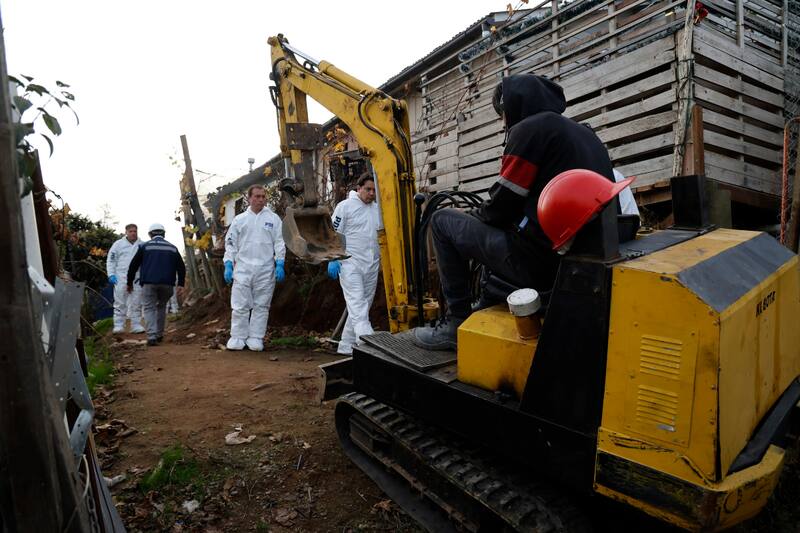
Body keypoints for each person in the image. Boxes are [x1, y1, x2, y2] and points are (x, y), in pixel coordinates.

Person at [412, 73, 615, 351]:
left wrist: (477, 213)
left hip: (537, 262)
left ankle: (454, 322)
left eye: (502, 114)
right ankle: (486, 300)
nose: (503, 122)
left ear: (513, 106)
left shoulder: (530, 129)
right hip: (578, 259)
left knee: (442, 221)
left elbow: (501, 205)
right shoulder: (585, 135)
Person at [223, 184, 286, 352]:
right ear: (249, 198)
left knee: (261, 305)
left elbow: (280, 242)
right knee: (240, 305)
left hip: (265, 269)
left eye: (263, 196)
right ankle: (237, 336)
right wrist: (228, 263)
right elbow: (230, 243)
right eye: (257, 196)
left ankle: (256, 337)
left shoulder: (273, 219)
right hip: (243, 268)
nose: (261, 199)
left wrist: (280, 263)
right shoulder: (239, 220)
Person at [326, 174, 382, 355]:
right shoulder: (345, 207)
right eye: (368, 189)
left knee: (363, 304)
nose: (371, 193)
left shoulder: (377, 209)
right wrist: (334, 258)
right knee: (357, 303)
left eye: (374, 190)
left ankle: (346, 345)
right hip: (349, 263)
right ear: (358, 188)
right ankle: (366, 341)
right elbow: (333, 233)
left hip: (371, 264)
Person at [127, 223, 186, 346]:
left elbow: (133, 266)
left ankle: (152, 336)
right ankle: (159, 334)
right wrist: (181, 284)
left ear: (150, 234)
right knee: (161, 306)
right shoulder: (173, 248)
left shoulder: (144, 247)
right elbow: (181, 267)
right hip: (167, 284)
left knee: (149, 308)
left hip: (149, 283)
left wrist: (129, 282)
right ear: (163, 234)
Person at [106, 223, 145, 334]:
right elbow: (111, 260)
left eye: (135, 231)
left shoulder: (142, 245)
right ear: (126, 232)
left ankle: (136, 325)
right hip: (120, 278)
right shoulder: (118, 245)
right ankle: (118, 325)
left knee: (136, 302)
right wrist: (111, 274)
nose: (133, 233)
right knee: (119, 302)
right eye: (131, 231)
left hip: (137, 278)